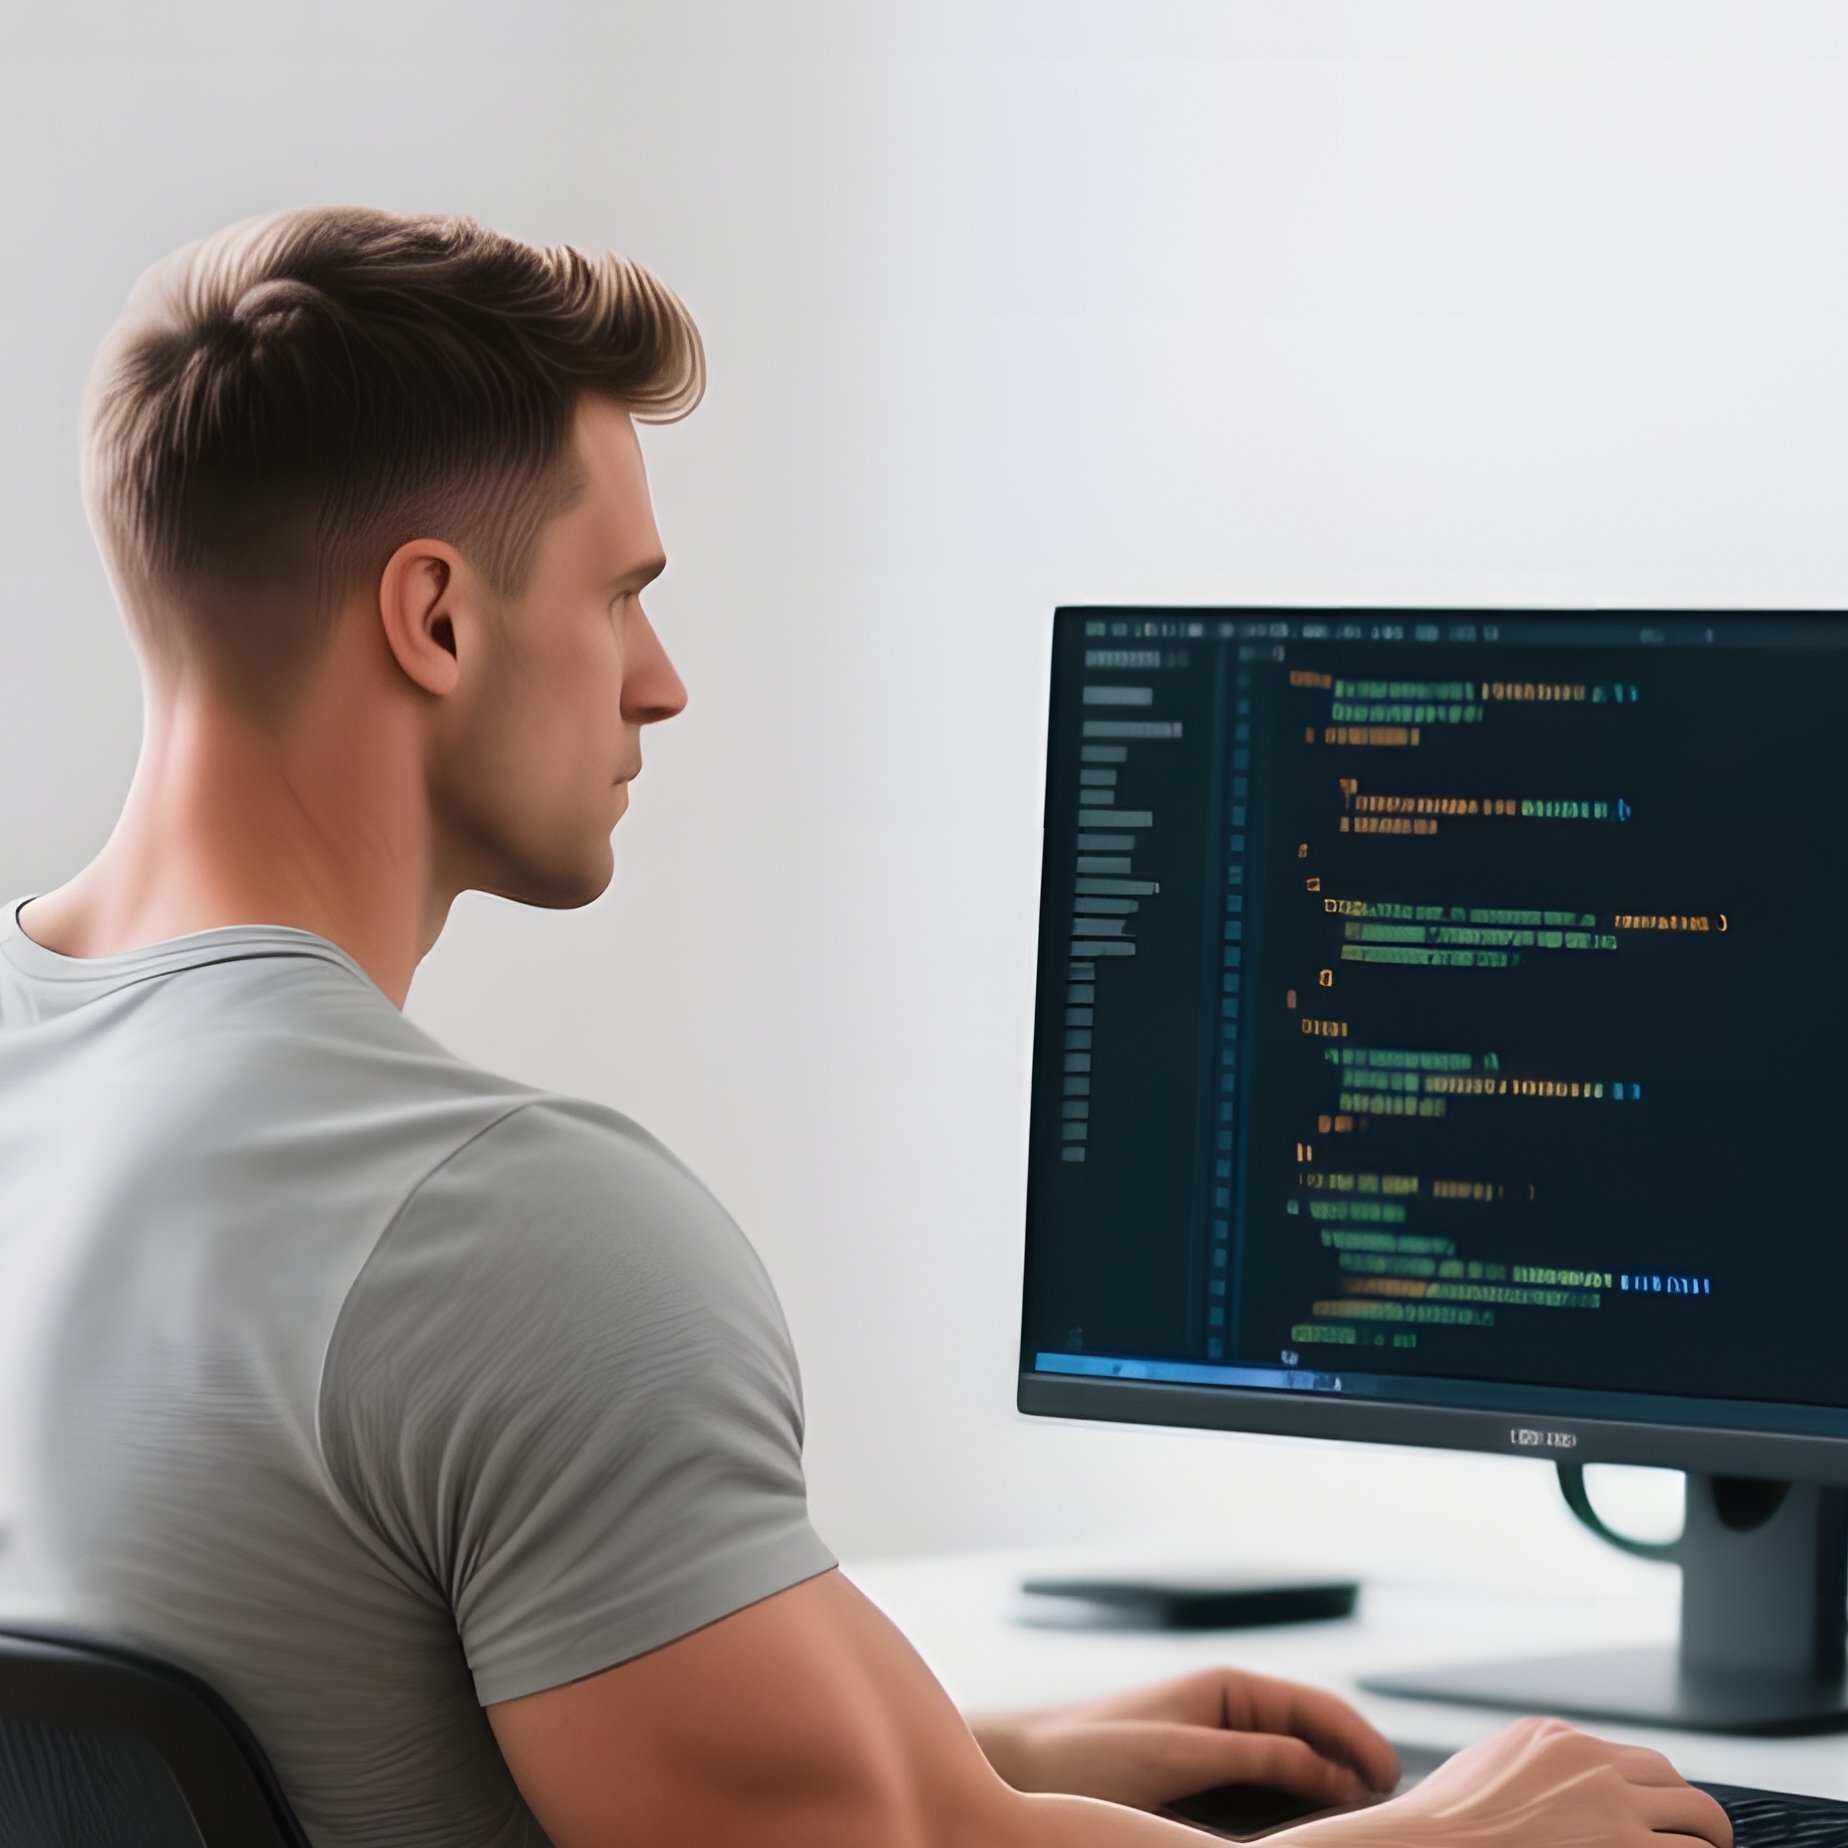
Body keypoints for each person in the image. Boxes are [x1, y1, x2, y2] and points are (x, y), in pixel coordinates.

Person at [0, 203, 1731, 1848]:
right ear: (437, 616)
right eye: (619, 592)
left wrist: (955, 1761)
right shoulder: (503, 1230)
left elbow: (323, 1684)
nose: (659, 677)